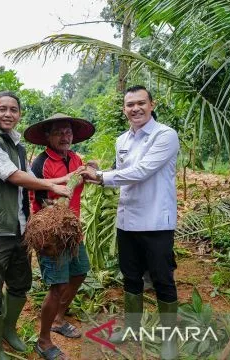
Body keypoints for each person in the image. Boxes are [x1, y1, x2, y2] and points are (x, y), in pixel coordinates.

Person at [0, 91, 72, 360]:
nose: (8, 114)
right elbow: (12, 176)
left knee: (20, 283)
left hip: (18, 227)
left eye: (14, 109)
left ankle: (7, 330)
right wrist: (51, 184)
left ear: (19, 114)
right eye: (2, 109)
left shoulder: (17, 145)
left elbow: (25, 189)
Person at [81, 85, 179, 360]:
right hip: (127, 220)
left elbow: (142, 171)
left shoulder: (165, 136)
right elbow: (121, 172)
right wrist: (94, 171)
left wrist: (101, 177)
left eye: (140, 103)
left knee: (162, 279)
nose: (135, 109)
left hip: (156, 221)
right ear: (124, 109)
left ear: (152, 104)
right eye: (129, 105)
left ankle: (169, 340)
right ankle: (132, 328)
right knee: (131, 277)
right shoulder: (122, 139)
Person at [24, 113, 95, 360]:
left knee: (80, 271)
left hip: (72, 229)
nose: (65, 137)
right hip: (50, 232)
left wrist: (91, 170)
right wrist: (43, 226)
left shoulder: (76, 158)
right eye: (59, 132)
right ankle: (43, 340)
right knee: (58, 285)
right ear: (48, 136)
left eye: (68, 132)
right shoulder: (41, 162)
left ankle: (58, 318)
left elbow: (83, 180)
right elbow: (33, 194)